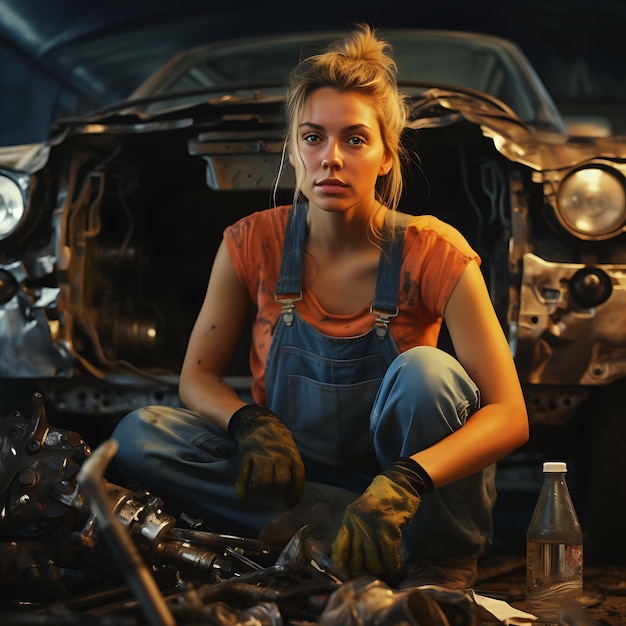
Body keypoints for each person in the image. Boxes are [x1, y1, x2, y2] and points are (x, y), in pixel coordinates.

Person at [110, 23, 528, 589]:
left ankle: (434, 559)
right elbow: (197, 378)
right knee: (141, 435)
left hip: (411, 499)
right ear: (293, 148)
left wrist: (405, 480)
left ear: (385, 156)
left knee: (429, 374)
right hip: (298, 484)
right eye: (313, 137)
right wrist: (249, 422)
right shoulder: (250, 242)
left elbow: (510, 416)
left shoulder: (435, 251)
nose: (330, 158)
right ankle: (335, 542)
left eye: (354, 139)